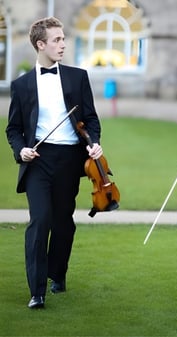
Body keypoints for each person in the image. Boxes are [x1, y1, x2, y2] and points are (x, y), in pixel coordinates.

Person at [5, 17, 104, 309]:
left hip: (71, 159)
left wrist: (94, 142)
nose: (63, 44)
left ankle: (57, 273)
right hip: (38, 160)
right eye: (57, 40)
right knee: (40, 221)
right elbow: (13, 129)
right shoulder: (21, 85)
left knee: (63, 221)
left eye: (63, 39)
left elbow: (91, 118)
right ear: (41, 44)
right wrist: (21, 149)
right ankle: (37, 291)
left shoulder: (77, 77)